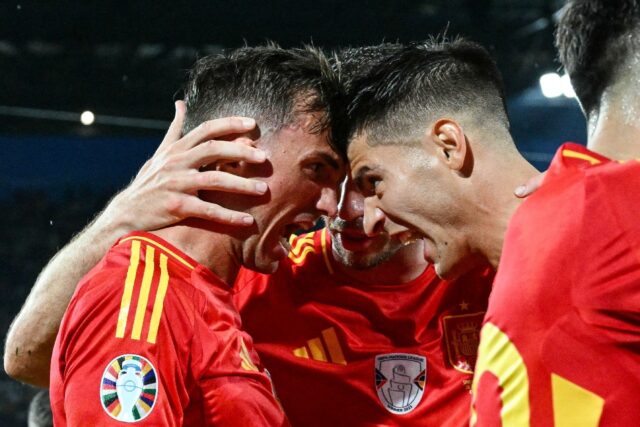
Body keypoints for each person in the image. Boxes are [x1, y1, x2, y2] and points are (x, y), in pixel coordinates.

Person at [4, 45, 495, 426]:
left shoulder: (493, 267)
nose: (338, 207)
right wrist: (124, 214)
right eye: (322, 172)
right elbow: (30, 357)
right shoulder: (268, 271)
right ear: (235, 158)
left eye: (368, 181)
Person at [346, 31, 640, 427]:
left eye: (374, 182)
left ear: (449, 145)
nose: (369, 219)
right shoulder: (514, 264)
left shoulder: (596, 213)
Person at [48, 45, 345, 425]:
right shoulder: (144, 295)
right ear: (233, 160)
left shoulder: (207, 294)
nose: (330, 206)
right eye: (316, 168)